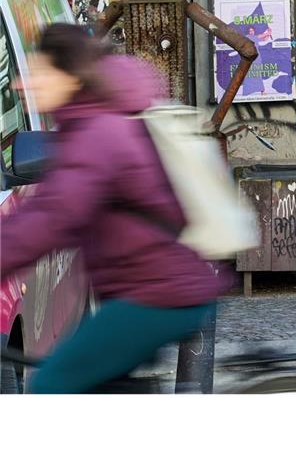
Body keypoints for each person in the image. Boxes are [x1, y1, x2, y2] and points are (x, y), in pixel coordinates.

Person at [0, 24, 228, 393]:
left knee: (52, 385)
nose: (22, 84)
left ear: (70, 76)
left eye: (39, 71)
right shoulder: (89, 124)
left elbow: (50, 218)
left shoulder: (97, 134)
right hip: (147, 288)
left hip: (155, 294)